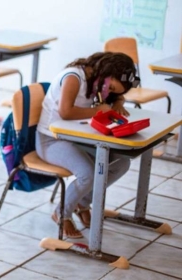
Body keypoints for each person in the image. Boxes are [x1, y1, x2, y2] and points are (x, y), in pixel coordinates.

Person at [36, 52, 139, 238]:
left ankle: (82, 202)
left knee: (122, 162)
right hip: (50, 140)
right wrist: (97, 111)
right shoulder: (74, 77)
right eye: (113, 87)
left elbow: (107, 97)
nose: (111, 92)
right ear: (107, 71)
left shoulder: (97, 80)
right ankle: (62, 212)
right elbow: (66, 113)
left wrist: (118, 100)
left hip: (75, 138)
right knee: (88, 174)